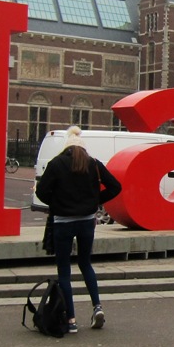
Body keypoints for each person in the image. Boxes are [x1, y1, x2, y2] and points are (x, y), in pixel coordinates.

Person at [35, 126, 122, 333]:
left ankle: (71, 320)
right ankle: (97, 307)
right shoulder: (93, 164)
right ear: (83, 149)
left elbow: (41, 192)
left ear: (67, 147)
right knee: (86, 264)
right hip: (86, 221)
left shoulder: (56, 164)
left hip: (63, 222)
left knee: (64, 270)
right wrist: (93, 202)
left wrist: (57, 204)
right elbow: (116, 186)